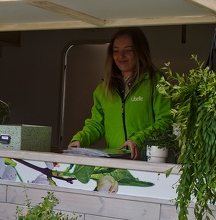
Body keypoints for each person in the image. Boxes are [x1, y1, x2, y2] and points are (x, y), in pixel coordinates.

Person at [67, 27, 171, 160]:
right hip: (116, 164)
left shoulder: (156, 82)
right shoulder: (103, 89)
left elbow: (166, 122)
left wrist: (138, 140)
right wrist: (80, 139)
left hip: (147, 163)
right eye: (116, 51)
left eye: (127, 51)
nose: (121, 56)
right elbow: (96, 125)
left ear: (140, 51)